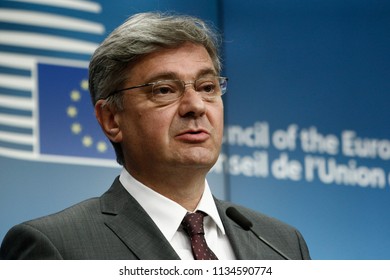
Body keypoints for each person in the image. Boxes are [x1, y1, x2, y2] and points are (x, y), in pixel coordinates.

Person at [0, 12, 310, 260]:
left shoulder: (282, 245)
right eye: (164, 90)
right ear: (111, 119)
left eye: (207, 88)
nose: (195, 106)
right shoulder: (55, 247)